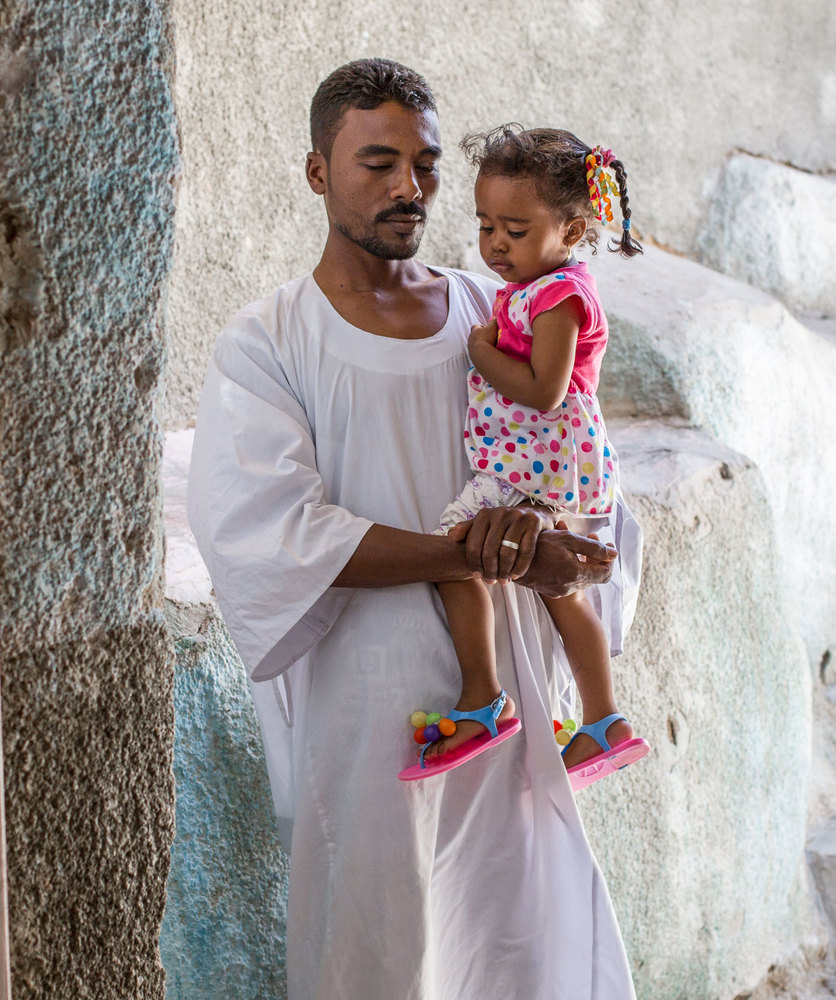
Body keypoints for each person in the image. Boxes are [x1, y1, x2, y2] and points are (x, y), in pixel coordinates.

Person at [187, 58, 644, 999]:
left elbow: (574, 451)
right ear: (319, 172)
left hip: (513, 700)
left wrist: (566, 542)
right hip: (374, 715)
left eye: (427, 164)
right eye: (378, 162)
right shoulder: (268, 343)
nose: (410, 187)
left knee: (513, 945)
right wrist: (479, 549)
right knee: (381, 951)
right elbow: (279, 532)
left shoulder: (499, 312)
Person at [413, 125, 651, 791]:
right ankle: (604, 720)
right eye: (486, 225)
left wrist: (482, 353)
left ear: (573, 232)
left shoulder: (558, 298)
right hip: (543, 460)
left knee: (455, 551)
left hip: (535, 458)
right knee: (558, 589)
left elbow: (546, 389)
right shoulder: (540, 288)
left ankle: (483, 699)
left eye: (514, 231)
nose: (494, 245)